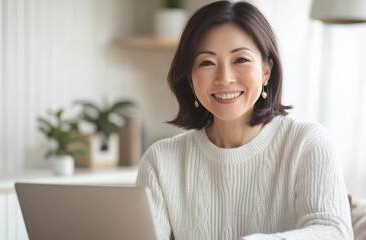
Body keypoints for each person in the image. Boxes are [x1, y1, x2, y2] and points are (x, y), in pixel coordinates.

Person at [136, 1, 353, 239]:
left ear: (266, 71)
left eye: (241, 60)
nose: (224, 78)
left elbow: (334, 232)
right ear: (190, 80)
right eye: (207, 63)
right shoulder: (160, 161)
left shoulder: (307, 143)